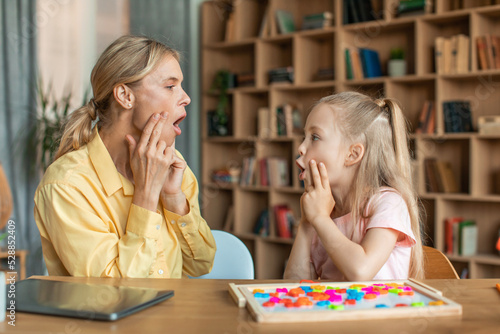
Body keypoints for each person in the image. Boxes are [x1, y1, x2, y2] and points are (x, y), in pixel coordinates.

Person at [34, 35, 216, 278]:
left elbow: (201, 265)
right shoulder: (66, 185)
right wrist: (147, 195)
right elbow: (113, 294)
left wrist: (173, 198)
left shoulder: (171, 164)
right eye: (170, 86)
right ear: (125, 96)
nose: (186, 98)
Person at [284, 91, 424, 281]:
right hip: (335, 311)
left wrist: (319, 218)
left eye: (314, 137)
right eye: (304, 137)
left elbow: (361, 271)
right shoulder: (323, 214)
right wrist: (306, 224)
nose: (300, 147)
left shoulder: (389, 204)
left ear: (352, 154)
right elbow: (293, 286)